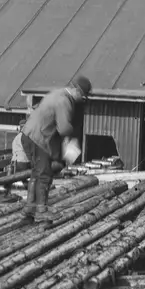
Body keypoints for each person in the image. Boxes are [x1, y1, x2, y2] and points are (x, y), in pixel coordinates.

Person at [20, 75, 91, 221]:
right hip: (39, 138)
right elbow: (64, 128)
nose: (81, 100)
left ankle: (30, 207)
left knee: (36, 173)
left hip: (29, 134)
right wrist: (72, 142)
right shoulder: (64, 101)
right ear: (77, 91)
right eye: (82, 97)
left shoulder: (57, 93)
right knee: (44, 174)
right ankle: (41, 210)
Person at [0, 120, 29, 202]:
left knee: (10, 175)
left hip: (17, 161)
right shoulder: (27, 136)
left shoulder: (20, 137)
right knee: (23, 177)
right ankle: (31, 191)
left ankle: (5, 192)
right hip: (24, 161)